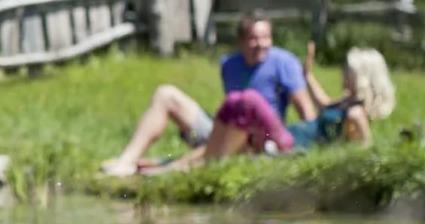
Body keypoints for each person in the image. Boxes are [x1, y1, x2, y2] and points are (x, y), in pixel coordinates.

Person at [100, 11, 316, 177]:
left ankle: (173, 167)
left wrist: (310, 146)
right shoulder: (229, 64)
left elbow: (306, 111)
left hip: (260, 139)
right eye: (253, 38)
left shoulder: (284, 63)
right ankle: (127, 161)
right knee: (165, 94)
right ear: (240, 41)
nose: (261, 44)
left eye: (266, 38)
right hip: (226, 129)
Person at [145, 43, 394, 170]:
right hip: (290, 137)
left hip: (292, 147)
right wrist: (307, 76)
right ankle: (168, 165)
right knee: (237, 128)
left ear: (362, 76)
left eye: (347, 71)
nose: (343, 74)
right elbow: (323, 105)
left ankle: (175, 166)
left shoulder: (355, 113)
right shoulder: (345, 103)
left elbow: (364, 151)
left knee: (249, 103)